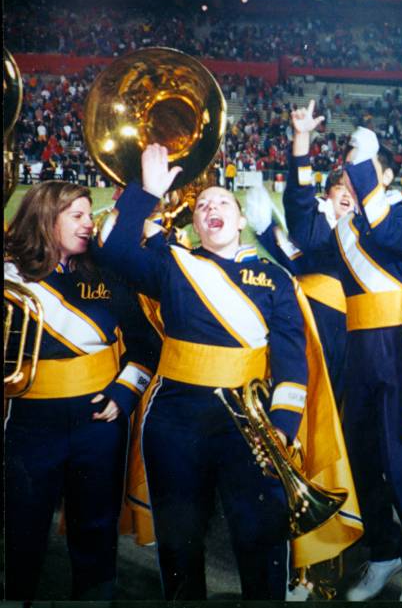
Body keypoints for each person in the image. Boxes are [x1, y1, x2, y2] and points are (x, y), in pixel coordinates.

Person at [93, 145, 358, 600]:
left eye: (223, 204)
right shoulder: (175, 264)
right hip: (174, 419)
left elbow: (292, 363)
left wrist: (283, 427)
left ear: (239, 222)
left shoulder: (276, 280)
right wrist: (148, 193)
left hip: (249, 428)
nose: (211, 208)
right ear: (195, 225)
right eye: (202, 206)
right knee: (180, 543)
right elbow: (114, 251)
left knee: (260, 540)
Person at [283, 105, 402, 602]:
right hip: (358, 353)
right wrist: (301, 145)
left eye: (359, 172)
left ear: (384, 176)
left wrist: (362, 164)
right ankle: (383, 554)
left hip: (398, 351)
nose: (348, 182)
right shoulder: (346, 233)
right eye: (345, 175)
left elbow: (386, 233)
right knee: (363, 460)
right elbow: (302, 226)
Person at [4, 181, 158, 600]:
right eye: (77, 215)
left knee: (96, 529)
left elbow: (146, 345)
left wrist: (124, 394)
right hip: (29, 421)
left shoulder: (107, 274)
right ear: (45, 218)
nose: (89, 224)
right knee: (23, 527)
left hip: (98, 422)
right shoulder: (9, 274)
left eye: (90, 215)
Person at [247, 172, 353, 402]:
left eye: (351, 188)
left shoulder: (358, 224)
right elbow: (299, 256)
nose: (346, 194)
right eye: (339, 187)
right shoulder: (315, 218)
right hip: (315, 314)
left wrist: (269, 232)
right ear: (327, 193)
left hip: (348, 322)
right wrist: (268, 231)